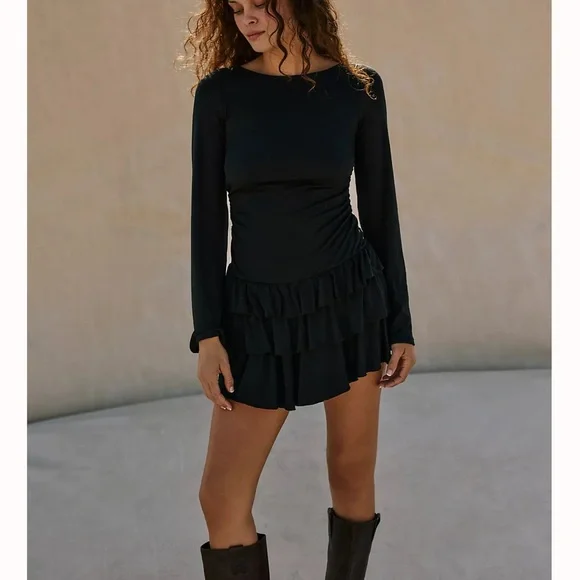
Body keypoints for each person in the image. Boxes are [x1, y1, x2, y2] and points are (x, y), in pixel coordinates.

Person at [178, 0, 417, 577]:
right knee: (221, 497)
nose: (248, 19)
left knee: (352, 470)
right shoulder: (220, 95)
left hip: (349, 301)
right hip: (256, 314)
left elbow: (380, 210)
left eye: (262, 4)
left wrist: (401, 324)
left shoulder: (357, 89)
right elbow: (207, 221)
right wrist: (208, 332)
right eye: (237, 8)